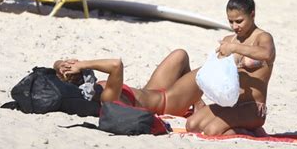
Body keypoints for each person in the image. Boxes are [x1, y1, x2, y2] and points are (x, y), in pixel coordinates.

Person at [154, 0, 276, 135]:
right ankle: (244, 129)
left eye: (239, 21)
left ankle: (254, 130)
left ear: (252, 15)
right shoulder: (229, 39)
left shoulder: (262, 37)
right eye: (231, 21)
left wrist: (234, 49)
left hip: (252, 108)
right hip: (230, 104)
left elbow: (267, 54)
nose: (235, 26)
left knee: (213, 131)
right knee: (191, 125)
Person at [53, 49, 195, 116]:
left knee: (180, 55)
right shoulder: (106, 98)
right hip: (168, 103)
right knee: (205, 72)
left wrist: (61, 65)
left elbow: (55, 66)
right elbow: (116, 65)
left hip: (152, 90)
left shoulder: (97, 89)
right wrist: (84, 64)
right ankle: (193, 101)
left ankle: (197, 103)